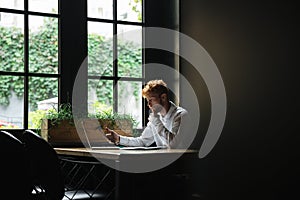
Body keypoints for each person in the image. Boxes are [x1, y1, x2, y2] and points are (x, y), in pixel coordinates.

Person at [105, 79, 187, 148]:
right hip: (162, 160)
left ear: (163, 97)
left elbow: (173, 145)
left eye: (151, 100)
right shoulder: (156, 118)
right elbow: (143, 141)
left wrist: (156, 120)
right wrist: (118, 139)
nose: (149, 105)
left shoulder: (181, 115)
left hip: (180, 163)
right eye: (148, 101)